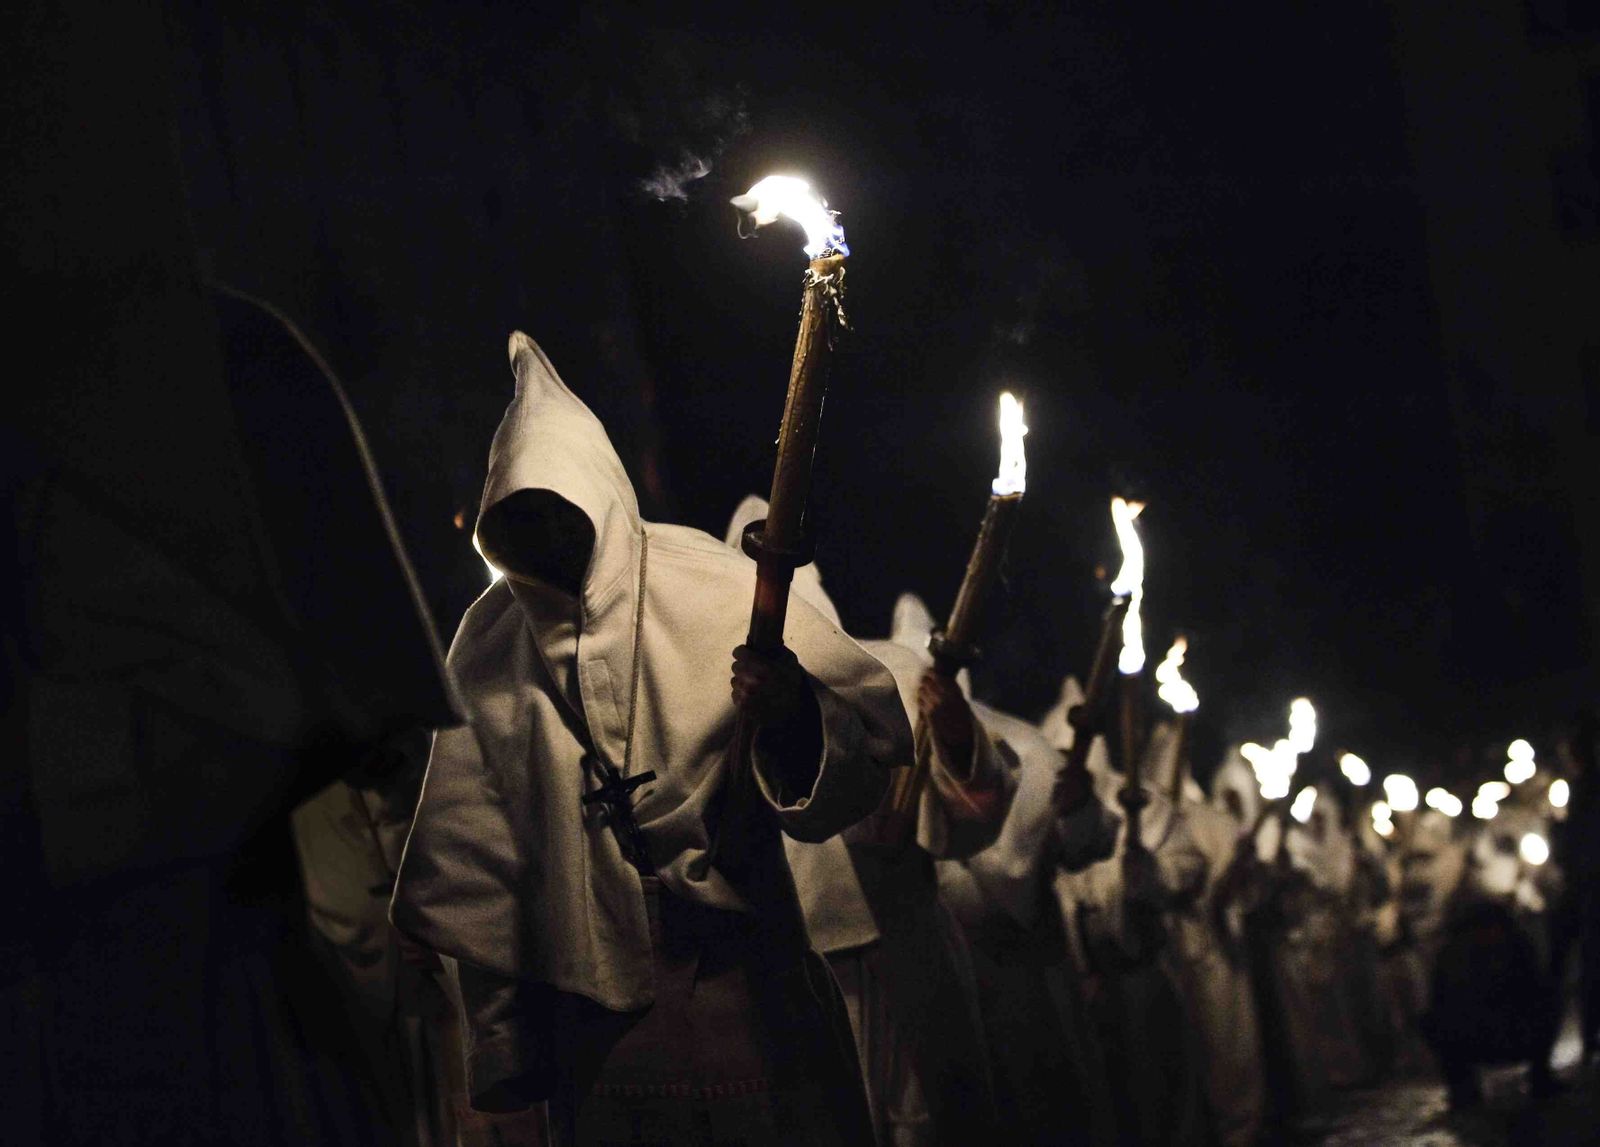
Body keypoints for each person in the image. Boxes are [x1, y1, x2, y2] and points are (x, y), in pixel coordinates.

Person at [392, 335, 913, 1146]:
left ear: (596, 499)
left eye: (556, 512)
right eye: (520, 520)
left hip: (756, 1003)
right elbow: (486, 873)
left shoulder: (709, 582)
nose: (546, 539)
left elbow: (860, 751)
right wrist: (505, 1047)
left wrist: (788, 716)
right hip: (606, 1055)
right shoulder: (490, 646)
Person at [724, 529, 1012, 1146]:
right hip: (799, 959)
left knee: (929, 1121)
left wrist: (958, 738)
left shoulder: (889, 672)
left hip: (905, 939)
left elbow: (973, 813)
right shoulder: (720, 696)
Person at [938, 666, 1119, 1147]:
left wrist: (1079, 805)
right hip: (944, 974)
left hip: (1033, 967)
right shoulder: (889, 756)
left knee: (1054, 1103)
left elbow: (1087, 842)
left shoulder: (1026, 747)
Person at [1040, 679, 1209, 1147]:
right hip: (1078, 982)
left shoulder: (1144, 801)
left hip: (1140, 970)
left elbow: (1190, 868)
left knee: (1159, 1088)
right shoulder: (1040, 802)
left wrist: (1148, 872)